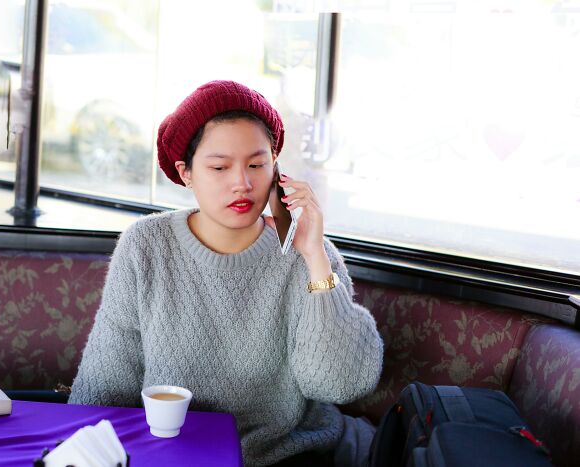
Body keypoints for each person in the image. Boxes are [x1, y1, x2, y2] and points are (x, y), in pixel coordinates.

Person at [69, 80, 384, 466]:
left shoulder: (309, 253)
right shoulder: (146, 245)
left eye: (257, 165)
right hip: (174, 455)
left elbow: (339, 385)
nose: (243, 184)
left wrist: (314, 256)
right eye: (219, 167)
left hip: (286, 454)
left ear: (276, 168)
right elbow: (105, 383)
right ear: (186, 172)